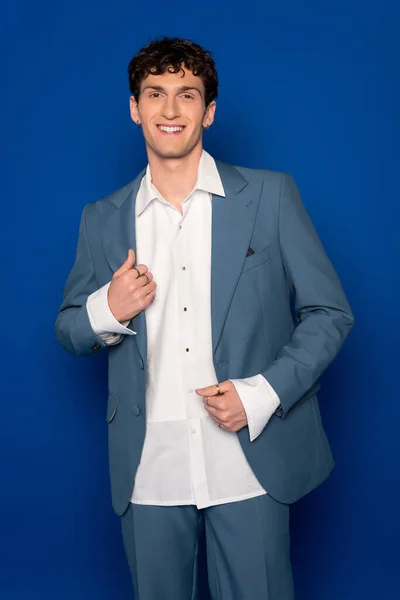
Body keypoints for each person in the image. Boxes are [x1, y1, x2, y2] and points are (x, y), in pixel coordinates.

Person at [55, 36, 355, 600]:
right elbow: (68, 327)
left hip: (250, 457)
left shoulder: (270, 196)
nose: (170, 110)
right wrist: (107, 310)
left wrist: (262, 393)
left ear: (208, 111)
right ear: (134, 108)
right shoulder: (101, 219)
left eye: (187, 95)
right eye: (156, 94)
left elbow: (329, 313)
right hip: (149, 466)